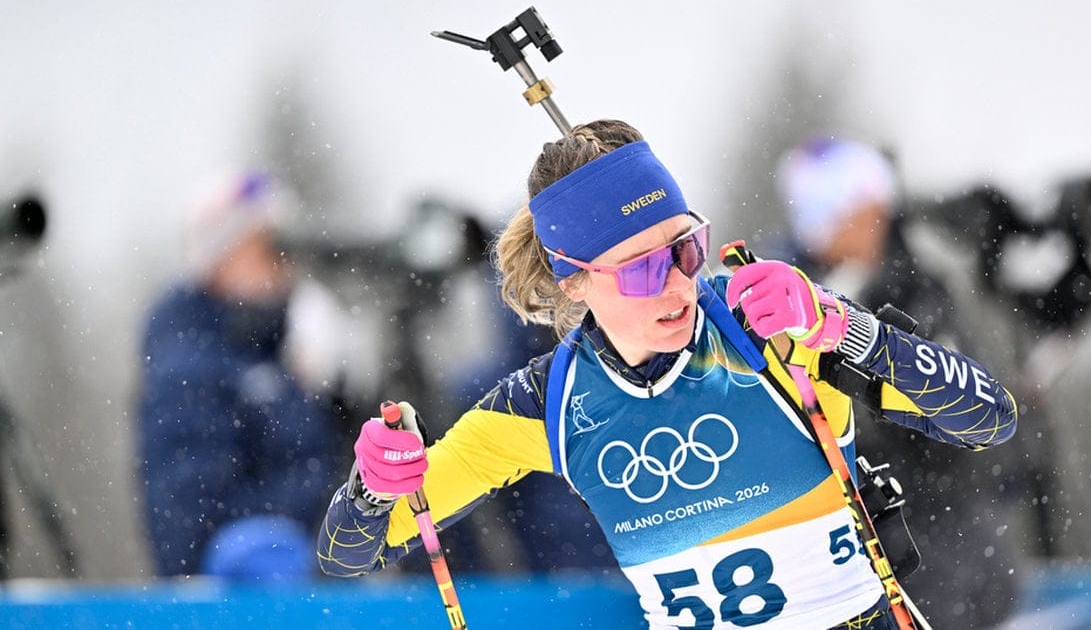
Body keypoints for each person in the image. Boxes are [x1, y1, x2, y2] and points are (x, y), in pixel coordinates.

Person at [317, 120, 1017, 628]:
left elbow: (990, 417)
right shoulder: (549, 403)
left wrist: (848, 329)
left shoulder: (767, 326)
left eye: (685, 249)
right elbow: (349, 554)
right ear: (573, 281)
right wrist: (373, 488)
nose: (679, 284)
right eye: (642, 269)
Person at [770, 137, 1023, 626]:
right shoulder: (785, 289)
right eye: (856, 212)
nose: (873, 223)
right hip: (852, 549)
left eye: (875, 210)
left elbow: (973, 410)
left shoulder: (918, 287)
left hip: (942, 534)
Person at [137, 170, 346, 579]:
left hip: (302, 591)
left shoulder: (271, 355)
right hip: (250, 599)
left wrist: (340, 397)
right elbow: (190, 531)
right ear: (221, 260)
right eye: (267, 249)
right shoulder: (190, 366)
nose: (283, 266)